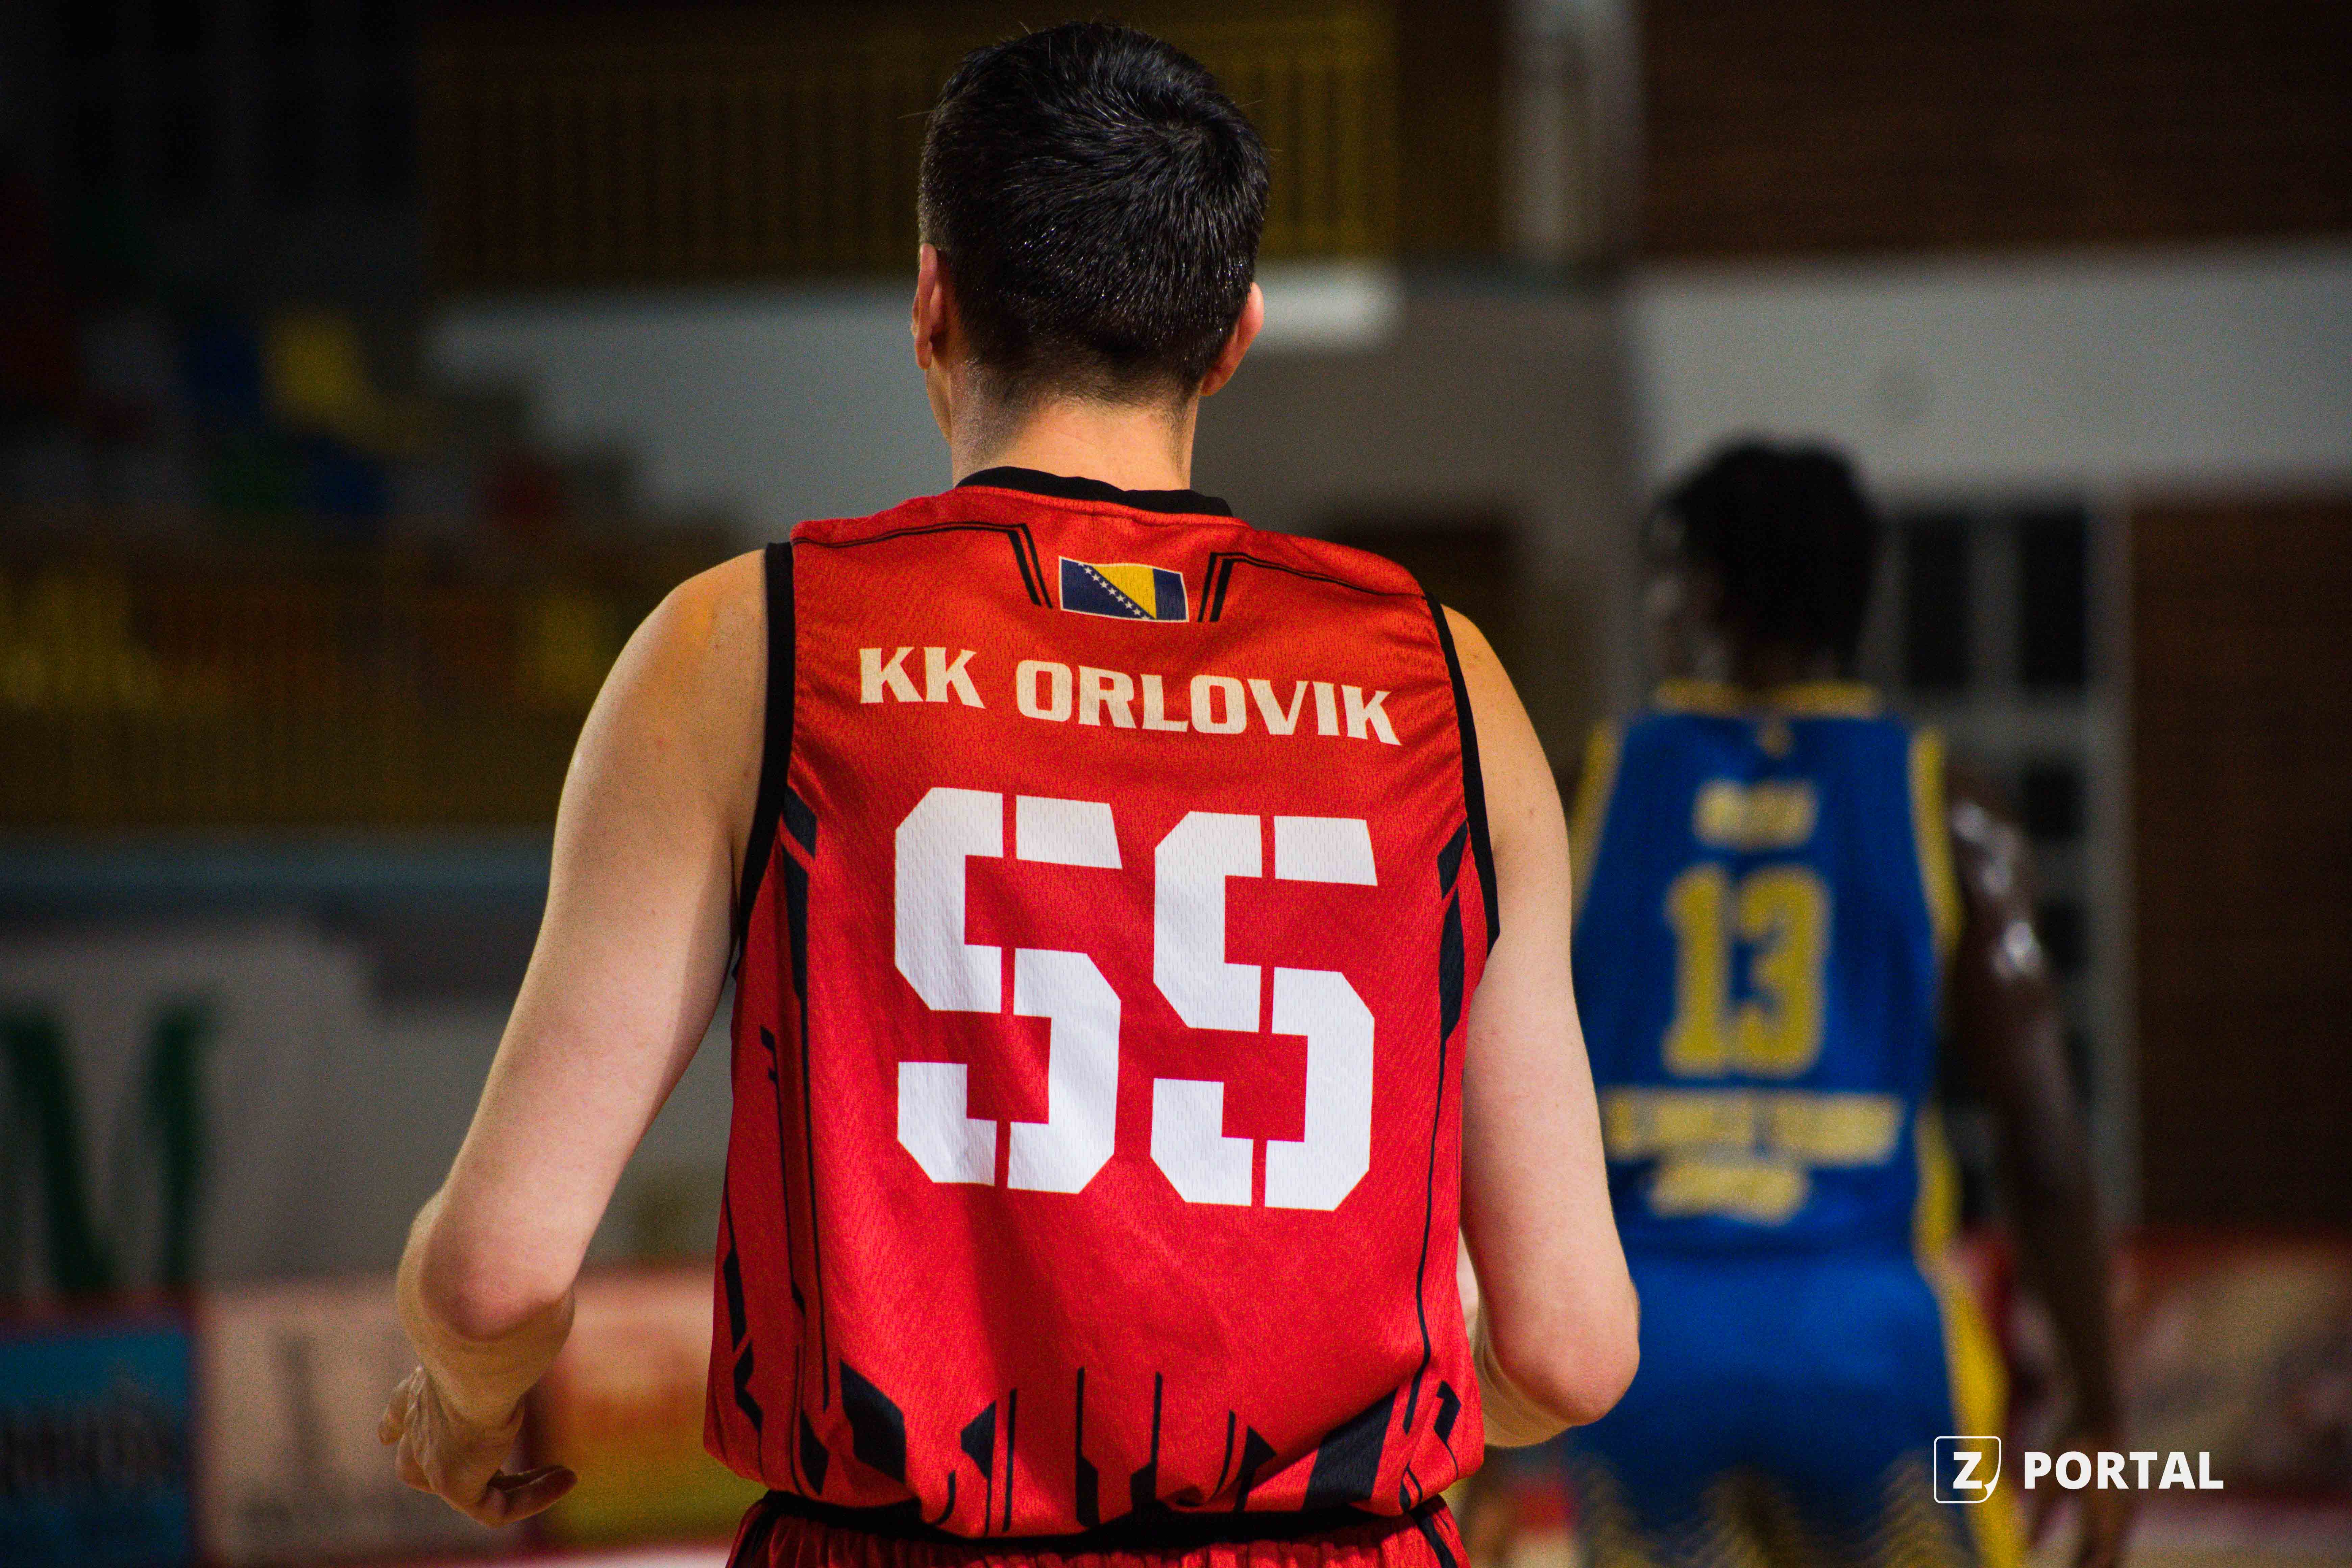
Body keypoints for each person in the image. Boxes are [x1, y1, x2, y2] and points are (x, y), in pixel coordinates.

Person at [378, 23, 1638, 1568]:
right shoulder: (1446, 682)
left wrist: (463, 1400)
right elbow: (1572, 1345)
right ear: (1232, 335)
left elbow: (495, 1276)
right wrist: (1362, 1440)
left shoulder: (745, 646)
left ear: (933, 302)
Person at [1543, 442, 2128, 1568]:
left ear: (1708, 593)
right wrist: (2101, 1420)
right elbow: (2046, 1146)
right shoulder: (1949, 807)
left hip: (1644, 1341)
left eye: (1665, 579)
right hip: (1867, 1344)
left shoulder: (1582, 792)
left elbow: (1477, 1095)